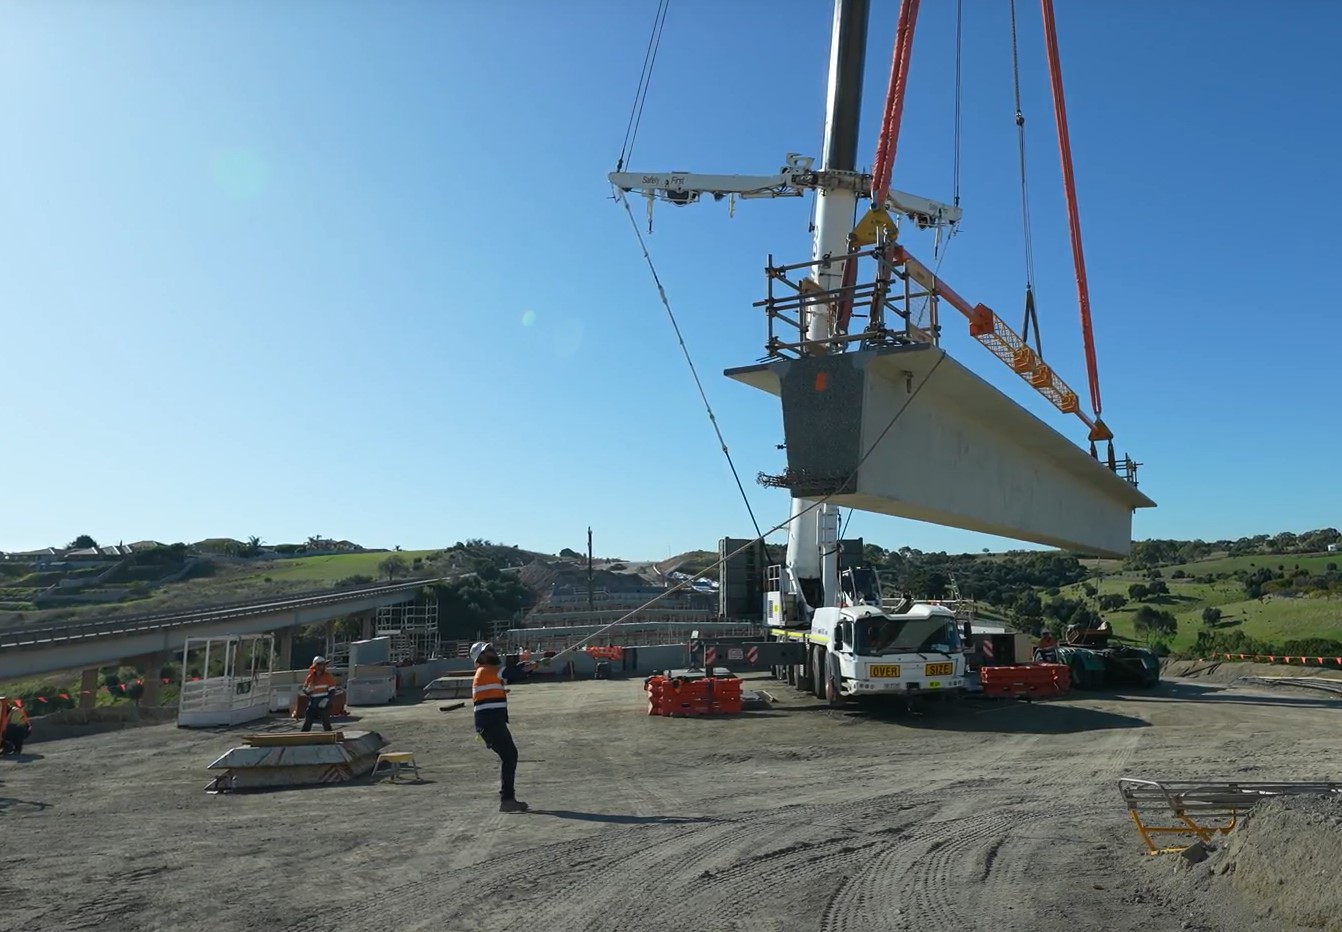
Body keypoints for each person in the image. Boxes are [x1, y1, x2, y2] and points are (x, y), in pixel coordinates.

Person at [471, 641, 532, 813]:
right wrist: (526, 669)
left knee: (510, 756)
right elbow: (512, 674)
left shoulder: (487, 672)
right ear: (481, 657)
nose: (492, 652)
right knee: (510, 756)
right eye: (488, 650)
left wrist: (526, 668)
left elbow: (511, 674)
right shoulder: (486, 671)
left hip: (492, 722)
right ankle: (507, 800)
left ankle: (508, 799)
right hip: (491, 723)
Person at [300, 656, 339, 733]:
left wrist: (326, 699)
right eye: (321, 665)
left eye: (324, 665)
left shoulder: (328, 677)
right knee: (308, 721)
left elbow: (332, 690)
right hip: (313, 702)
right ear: (316, 666)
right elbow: (304, 689)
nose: (323, 667)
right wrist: (307, 690)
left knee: (326, 722)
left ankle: (329, 738)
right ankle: (302, 738)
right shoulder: (310, 677)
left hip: (323, 702)